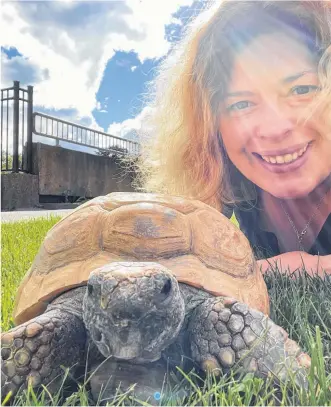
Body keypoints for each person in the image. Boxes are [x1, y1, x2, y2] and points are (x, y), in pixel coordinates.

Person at [133, 0, 331, 277]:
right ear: (211, 125)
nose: (274, 128)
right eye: (241, 104)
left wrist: (310, 265)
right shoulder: (229, 181)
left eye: (302, 89)